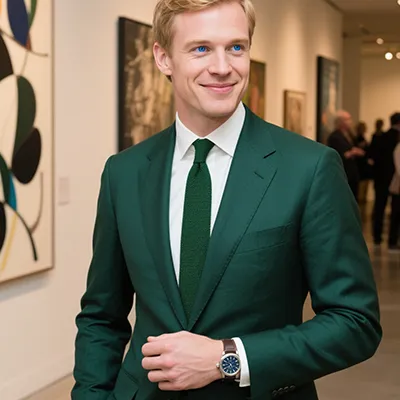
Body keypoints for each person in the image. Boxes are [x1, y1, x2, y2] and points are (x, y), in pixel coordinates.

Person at [71, 1, 382, 400]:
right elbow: (102, 316)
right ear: (163, 58)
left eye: (236, 47)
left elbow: (355, 322)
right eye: (201, 49)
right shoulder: (124, 173)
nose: (222, 67)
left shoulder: (309, 168)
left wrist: (227, 358)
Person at [369, 112, 400, 245]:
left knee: (379, 208)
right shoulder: (397, 139)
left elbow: (372, 157)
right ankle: (392, 240)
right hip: (396, 180)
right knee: (396, 211)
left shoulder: (380, 137)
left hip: (381, 179)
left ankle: (377, 237)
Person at [327, 110, 366, 199]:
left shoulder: (349, 135)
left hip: (352, 173)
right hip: (343, 173)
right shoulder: (335, 136)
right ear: (340, 122)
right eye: (347, 119)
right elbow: (337, 155)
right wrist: (352, 152)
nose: (350, 122)